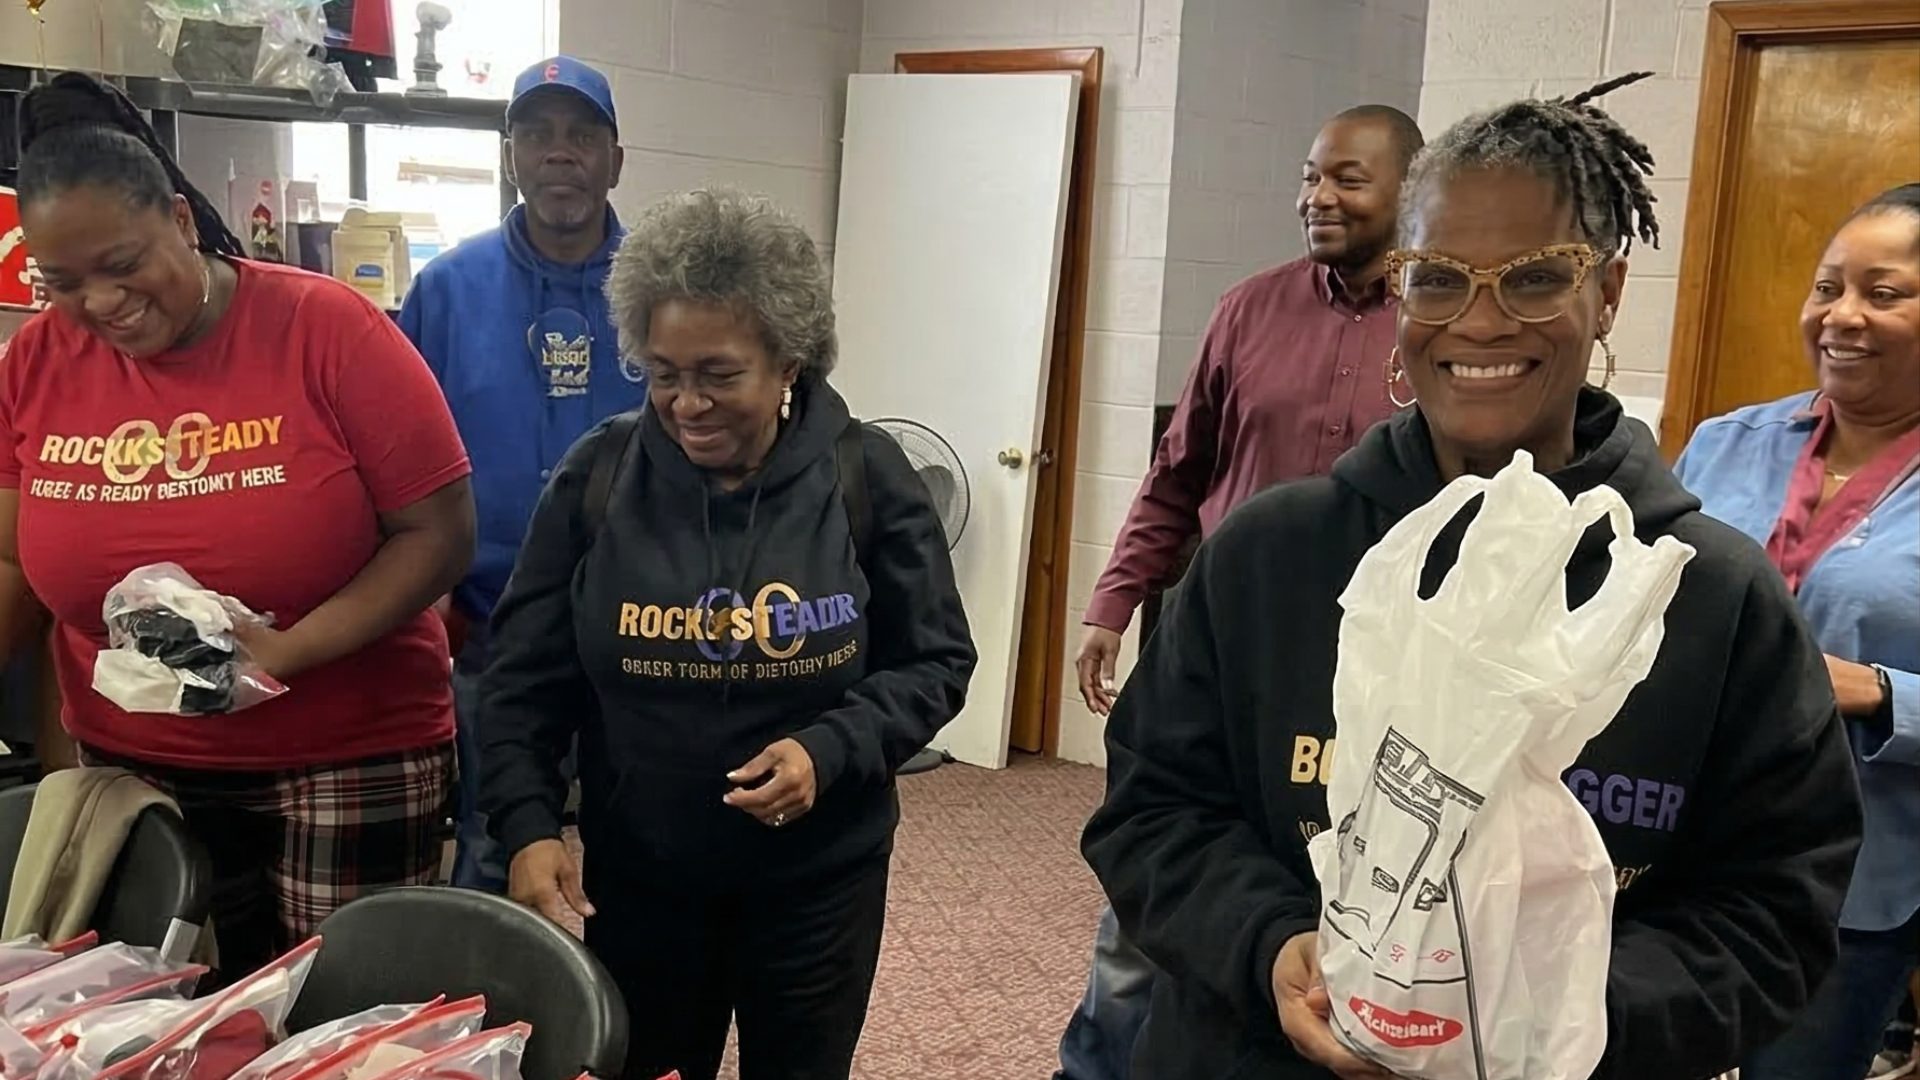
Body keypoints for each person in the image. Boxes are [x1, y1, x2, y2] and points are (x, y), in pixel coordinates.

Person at [1082, 73, 1865, 1079]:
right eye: (1438, 278)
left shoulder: (1711, 594)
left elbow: (1775, 910)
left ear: (1608, 292)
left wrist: (1548, 1016)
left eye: (1535, 278)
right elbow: (1153, 813)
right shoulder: (1267, 556)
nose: (1481, 322)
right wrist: (1274, 946)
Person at [479, 188, 976, 1080]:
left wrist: (829, 749)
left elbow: (936, 661)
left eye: (718, 374)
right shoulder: (599, 478)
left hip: (820, 885)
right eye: (663, 373)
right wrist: (528, 826)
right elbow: (521, 679)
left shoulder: (866, 475)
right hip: (643, 880)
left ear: (788, 361)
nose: (687, 403)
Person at [0, 74, 474, 976]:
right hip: (135, 763)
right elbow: (13, 561)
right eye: (63, 283)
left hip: (343, 756)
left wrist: (284, 652)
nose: (99, 303)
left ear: (181, 221)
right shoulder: (34, 361)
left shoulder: (324, 327)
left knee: (334, 1011)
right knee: (159, 1015)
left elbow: (439, 535)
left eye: (123, 263)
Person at [1058, 103, 1423, 1080]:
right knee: (1150, 894)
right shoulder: (1247, 310)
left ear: (1410, 192)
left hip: (1373, 673)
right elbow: (1177, 474)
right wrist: (1113, 602)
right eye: (1310, 176)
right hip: (1225, 650)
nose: (1317, 197)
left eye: (1348, 179)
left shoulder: (1432, 330)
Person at [1674, 183, 1920, 1080]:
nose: (1841, 316)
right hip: (1674, 849)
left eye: (1882, 293)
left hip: (1852, 884)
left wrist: (1877, 691)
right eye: (1828, 288)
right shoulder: (1724, 443)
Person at [398, 54, 643, 894]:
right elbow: (399, 462)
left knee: (642, 834)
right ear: (511, 157)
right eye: (537, 135)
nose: (559, 152)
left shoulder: (664, 290)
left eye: (582, 135)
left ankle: (627, 979)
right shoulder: (445, 290)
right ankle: (491, 978)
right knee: (497, 832)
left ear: (616, 159)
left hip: (640, 626)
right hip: (493, 626)